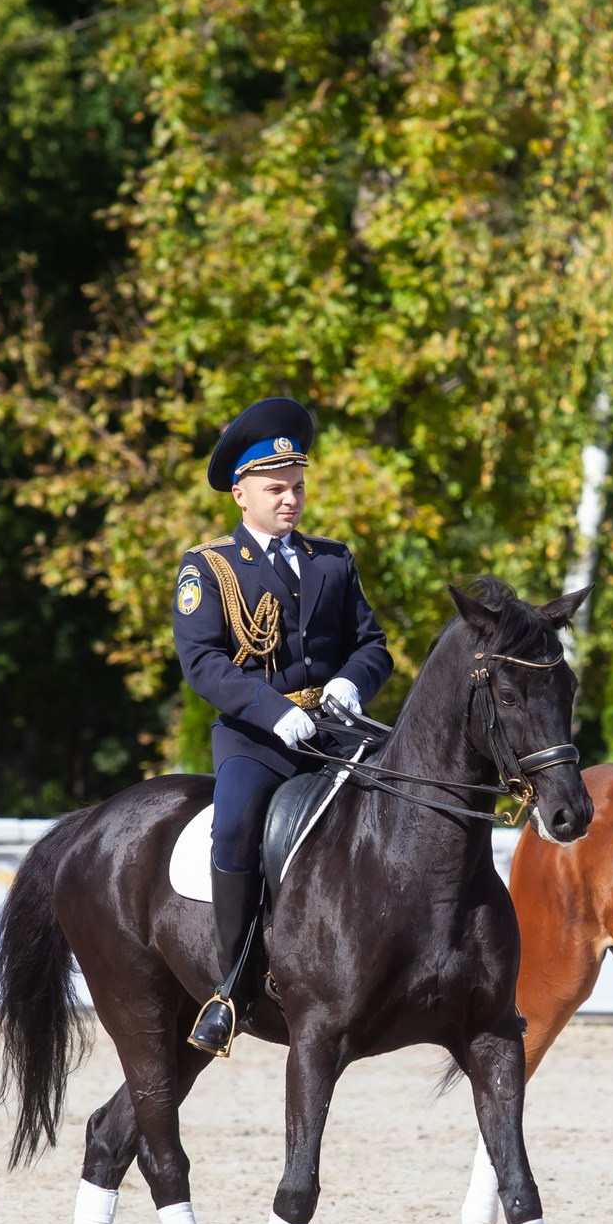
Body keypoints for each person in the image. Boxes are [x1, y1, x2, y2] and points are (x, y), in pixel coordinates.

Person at [171, 397, 393, 1056]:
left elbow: (372, 642)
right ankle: (231, 988)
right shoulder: (209, 568)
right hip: (256, 742)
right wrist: (274, 712)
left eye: (297, 486)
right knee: (236, 824)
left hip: (336, 733)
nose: (291, 499)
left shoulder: (332, 560)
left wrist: (353, 680)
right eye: (276, 489)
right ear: (242, 494)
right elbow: (204, 663)